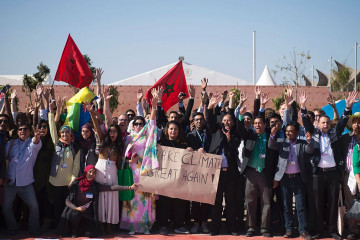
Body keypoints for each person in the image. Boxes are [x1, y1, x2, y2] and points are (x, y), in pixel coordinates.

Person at [300, 90, 358, 240]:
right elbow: (306, 122)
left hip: (333, 173)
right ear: (318, 124)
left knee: (332, 203)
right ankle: (318, 230)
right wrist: (303, 106)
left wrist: (348, 107)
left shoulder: (334, 133)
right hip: (317, 173)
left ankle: (333, 230)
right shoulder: (314, 133)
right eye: (323, 122)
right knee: (317, 203)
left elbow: (344, 122)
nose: (325, 124)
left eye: (327, 122)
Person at [235, 92, 279, 237]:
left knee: (266, 202)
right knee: (250, 201)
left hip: (265, 173)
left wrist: (262, 106)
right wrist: (241, 116)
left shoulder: (270, 136)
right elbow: (240, 129)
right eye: (255, 123)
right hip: (251, 173)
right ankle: (251, 227)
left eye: (260, 123)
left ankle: (265, 228)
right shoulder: (250, 135)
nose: (257, 125)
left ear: (265, 125)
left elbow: (260, 115)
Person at [57, 165, 138, 237]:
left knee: (91, 234)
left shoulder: (95, 186)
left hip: (87, 215)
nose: (92, 174)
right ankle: (74, 231)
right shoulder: (76, 184)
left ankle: (81, 229)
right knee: (75, 215)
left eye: (94, 173)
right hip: (76, 212)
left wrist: (129, 187)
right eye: (90, 172)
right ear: (85, 172)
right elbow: (67, 201)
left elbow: (112, 188)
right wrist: (76, 208)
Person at [120, 89, 158, 234]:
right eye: (136, 123)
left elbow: (153, 123)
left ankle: (144, 226)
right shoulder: (128, 138)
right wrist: (129, 159)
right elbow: (122, 156)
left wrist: (154, 106)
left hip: (144, 170)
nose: (138, 125)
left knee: (144, 199)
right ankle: (132, 226)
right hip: (131, 171)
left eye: (141, 123)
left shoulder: (147, 136)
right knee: (132, 199)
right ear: (132, 125)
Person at [86, 89, 124, 235]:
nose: (113, 133)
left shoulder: (120, 146)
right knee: (101, 197)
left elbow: (120, 163)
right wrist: (91, 113)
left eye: (115, 131)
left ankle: (109, 224)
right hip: (100, 169)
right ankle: (100, 223)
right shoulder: (102, 139)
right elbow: (98, 124)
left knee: (112, 197)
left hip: (113, 171)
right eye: (111, 131)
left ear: (118, 134)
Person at [268, 121, 314, 240]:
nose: (288, 133)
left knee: (300, 206)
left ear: (297, 133)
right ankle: (288, 229)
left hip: (298, 178)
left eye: (291, 131)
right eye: (287, 131)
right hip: (284, 179)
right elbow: (271, 145)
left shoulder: (302, 143)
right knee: (286, 206)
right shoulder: (282, 143)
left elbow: (310, 150)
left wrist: (309, 141)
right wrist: (272, 135)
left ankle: (303, 230)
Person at [207, 91, 241, 236]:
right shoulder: (215, 131)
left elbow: (235, 150)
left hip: (231, 173)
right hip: (216, 173)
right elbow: (209, 120)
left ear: (233, 123)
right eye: (224, 120)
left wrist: (229, 138)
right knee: (216, 202)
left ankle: (230, 228)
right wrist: (209, 107)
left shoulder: (235, 135)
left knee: (231, 202)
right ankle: (215, 228)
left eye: (229, 121)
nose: (226, 122)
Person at [2, 123, 42, 235]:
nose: (22, 131)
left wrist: (37, 137)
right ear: (17, 131)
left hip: (26, 183)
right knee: (6, 207)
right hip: (10, 182)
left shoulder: (32, 144)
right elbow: (4, 159)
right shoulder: (11, 143)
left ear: (29, 132)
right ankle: (12, 228)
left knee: (34, 206)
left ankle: (34, 229)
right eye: (20, 129)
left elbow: (36, 142)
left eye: (25, 129)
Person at [48, 99, 80, 227]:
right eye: (63, 132)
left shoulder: (75, 147)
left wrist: (73, 178)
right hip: (56, 181)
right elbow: (52, 130)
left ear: (71, 133)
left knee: (68, 206)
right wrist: (51, 112)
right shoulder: (57, 143)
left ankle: (66, 227)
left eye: (67, 132)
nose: (65, 134)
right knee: (57, 205)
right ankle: (57, 227)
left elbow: (76, 165)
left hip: (68, 182)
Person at [157, 120, 190, 235]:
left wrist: (190, 152)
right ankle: (163, 225)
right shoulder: (161, 143)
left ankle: (179, 225)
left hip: (178, 180)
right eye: (171, 129)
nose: (173, 131)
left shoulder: (184, 144)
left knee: (179, 203)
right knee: (164, 203)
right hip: (164, 179)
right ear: (167, 130)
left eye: (175, 129)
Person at [186, 112, 211, 234]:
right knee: (195, 198)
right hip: (194, 171)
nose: (199, 122)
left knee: (206, 197)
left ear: (204, 121)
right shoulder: (189, 136)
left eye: (201, 119)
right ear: (193, 122)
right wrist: (194, 151)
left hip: (208, 169)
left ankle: (205, 222)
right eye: (197, 120)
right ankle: (196, 222)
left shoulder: (210, 134)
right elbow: (186, 153)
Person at [339, 112, 360, 240]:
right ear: (351, 124)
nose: (357, 125)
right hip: (348, 175)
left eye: (359, 122)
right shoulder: (345, 138)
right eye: (354, 122)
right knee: (351, 203)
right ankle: (353, 230)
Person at [33, 119, 55, 232]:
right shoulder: (34, 141)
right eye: (40, 127)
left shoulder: (51, 141)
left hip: (48, 176)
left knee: (48, 199)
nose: (42, 129)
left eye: (45, 126)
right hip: (37, 176)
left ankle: (47, 222)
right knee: (38, 199)